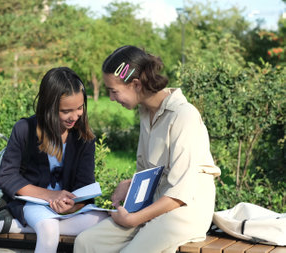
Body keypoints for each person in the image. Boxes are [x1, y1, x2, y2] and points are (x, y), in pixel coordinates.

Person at [74, 46, 221, 253]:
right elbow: (146, 172)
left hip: (184, 212)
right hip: (155, 204)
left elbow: (180, 193)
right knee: (86, 242)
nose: (112, 98)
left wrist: (133, 219)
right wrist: (130, 184)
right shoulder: (145, 113)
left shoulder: (183, 116)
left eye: (114, 91)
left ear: (135, 84)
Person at [0, 67, 107, 253]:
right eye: (66, 111)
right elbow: (8, 177)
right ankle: (25, 222)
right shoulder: (25, 129)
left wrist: (73, 206)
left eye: (80, 108)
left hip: (66, 210)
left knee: (104, 221)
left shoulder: (84, 138)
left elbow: (85, 186)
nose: (74, 116)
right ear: (48, 107)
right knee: (49, 230)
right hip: (33, 203)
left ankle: (17, 226)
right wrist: (50, 196)